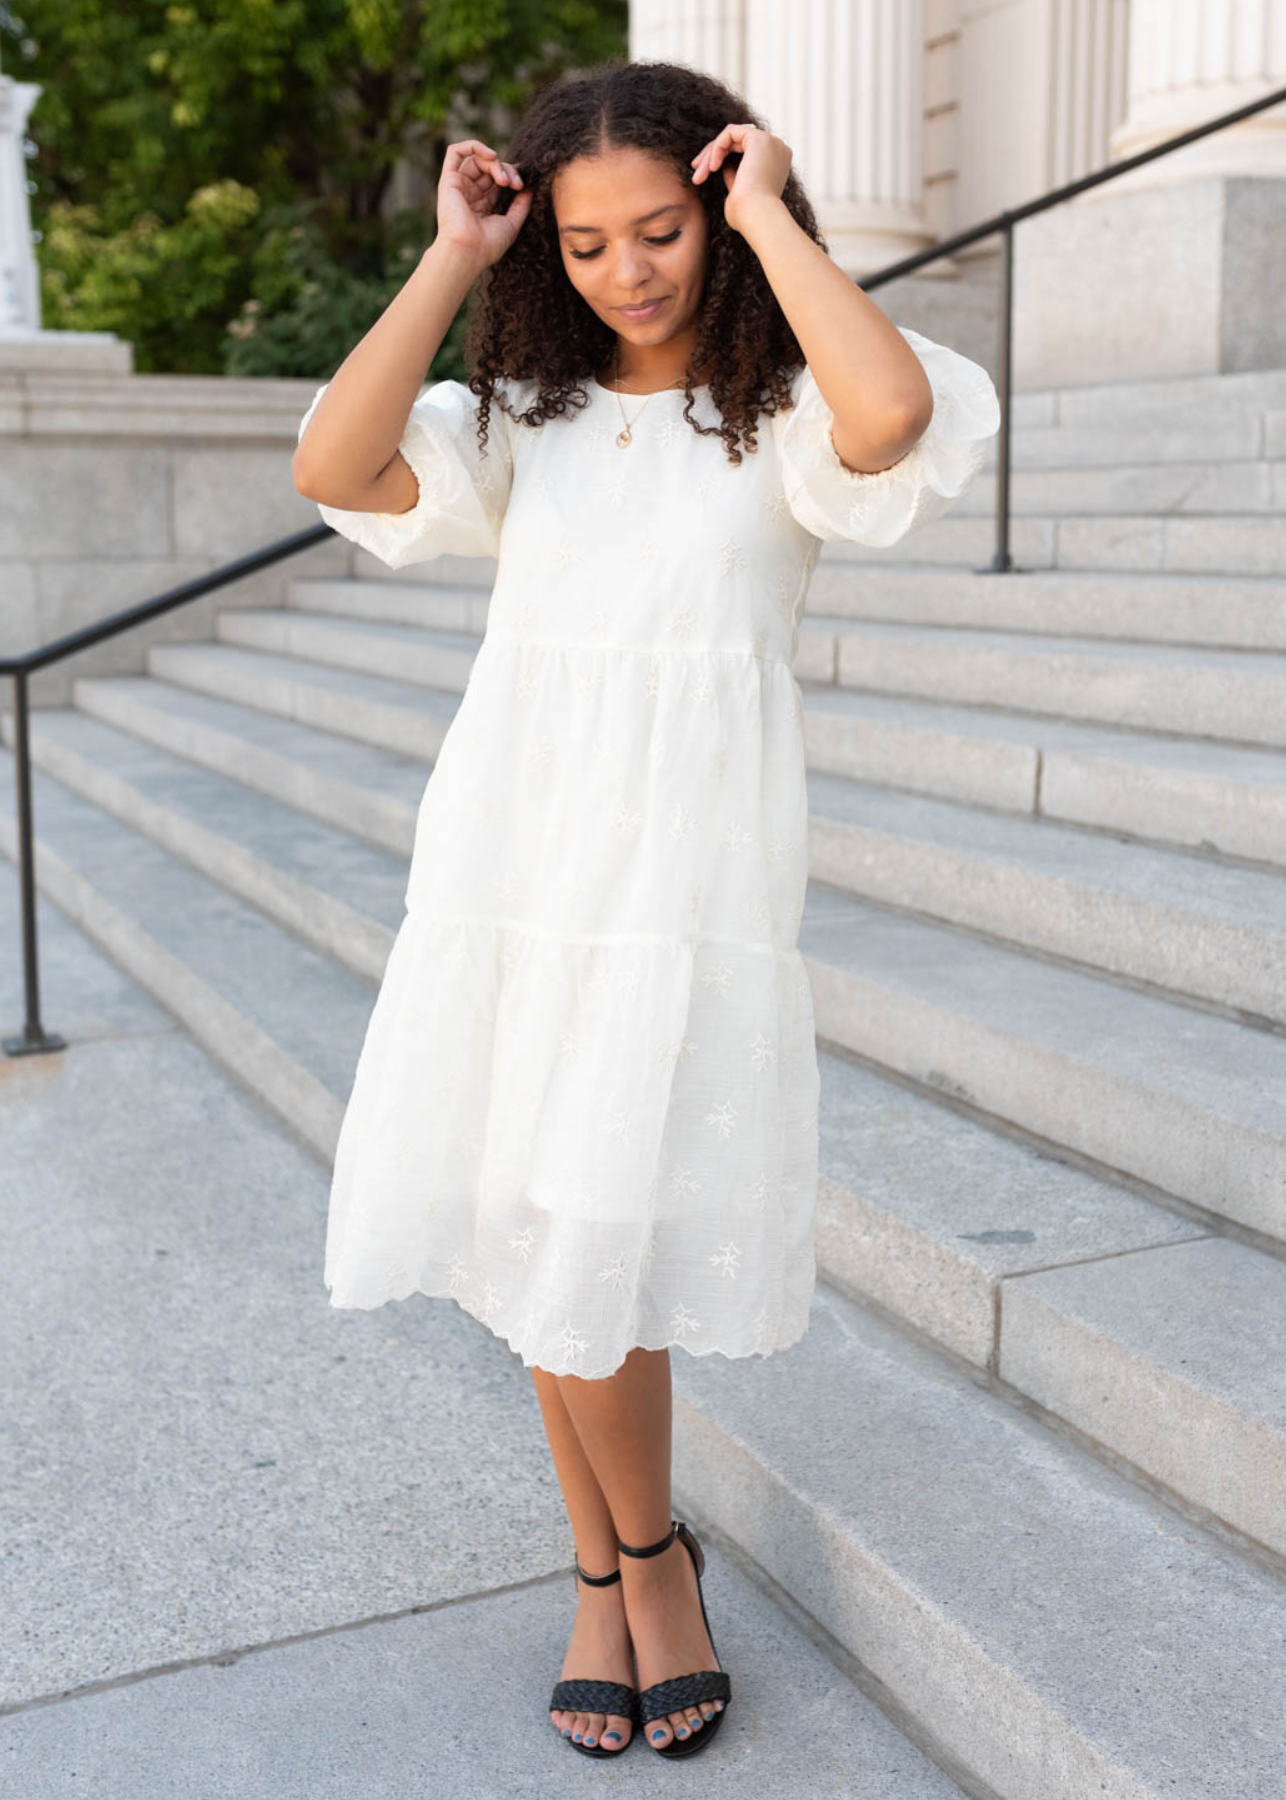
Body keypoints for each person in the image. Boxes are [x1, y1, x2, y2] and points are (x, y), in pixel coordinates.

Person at [293, 56, 999, 1764]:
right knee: (547, 1231)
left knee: (587, 1225)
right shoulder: (521, 420)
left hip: (679, 877)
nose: (630, 269)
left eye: (665, 227)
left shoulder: (782, 412)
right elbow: (333, 455)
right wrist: (454, 255)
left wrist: (769, 211)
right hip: (512, 862)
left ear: (720, 208)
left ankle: (634, 1565)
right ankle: (629, 1567)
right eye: (591, 242)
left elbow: (892, 419)